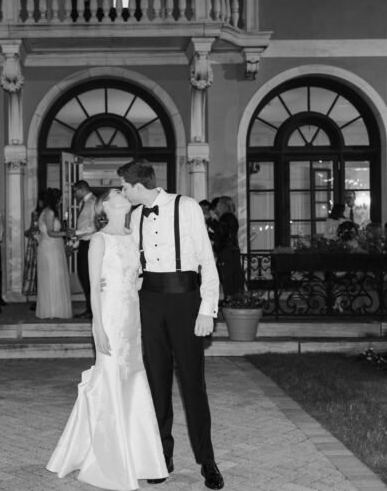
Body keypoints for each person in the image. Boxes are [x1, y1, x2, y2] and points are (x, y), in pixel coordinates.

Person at [47, 188, 168, 489]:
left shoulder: (133, 236)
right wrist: (97, 327)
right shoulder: (99, 240)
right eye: (118, 192)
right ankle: (110, 458)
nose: (124, 193)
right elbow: (94, 289)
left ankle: (138, 454)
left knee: (132, 378)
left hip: (132, 318)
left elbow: (138, 277)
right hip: (111, 317)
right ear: (106, 205)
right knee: (111, 377)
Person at [117, 159, 224, 490]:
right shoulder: (136, 216)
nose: (123, 192)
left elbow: (206, 260)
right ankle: (161, 457)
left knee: (193, 383)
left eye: (124, 187)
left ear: (138, 186)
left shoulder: (187, 206)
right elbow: (135, 264)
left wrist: (207, 309)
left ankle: (207, 460)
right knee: (156, 383)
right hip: (150, 301)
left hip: (185, 300)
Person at [34, 187, 72, 319]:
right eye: (59, 199)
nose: (60, 201)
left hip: (50, 247)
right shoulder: (49, 212)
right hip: (51, 248)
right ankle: (53, 310)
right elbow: (50, 232)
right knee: (53, 277)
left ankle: (52, 309)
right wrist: (66, 233)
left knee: (52, 277)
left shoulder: (45, 211)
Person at [68, 180, 96, 319]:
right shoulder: (84, 203)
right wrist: (74, 245)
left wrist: (76, 232)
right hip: (84, 244)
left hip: (91, 244)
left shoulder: (93, 202)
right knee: (84, 277)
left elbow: (95, 226)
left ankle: (92, 310)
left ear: (82, 189)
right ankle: (89, 308)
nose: (74, 194)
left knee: (88, 278)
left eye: (75, 191)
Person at [215, 196, 244, 296]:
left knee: (228, 280)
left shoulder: (226, 217)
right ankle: (234, 301)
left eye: (218, 204)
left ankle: (231, 301)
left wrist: (210, 221)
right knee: (233, 280)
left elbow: (221, 234)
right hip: (232, 252)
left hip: (227, 253)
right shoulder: (231, 217)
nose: (216, 207)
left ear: (222, 205)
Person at [23, 192, 45, 310]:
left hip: (43, 241)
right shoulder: (35, 213)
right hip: (34, 243)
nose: (40, 203)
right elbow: (32, 228)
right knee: (35, 270)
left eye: (41, 200)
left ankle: (43, 298)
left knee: (42, 270)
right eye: (39, 200)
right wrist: (28, 232)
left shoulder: (48, 213)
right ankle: (38, 298)